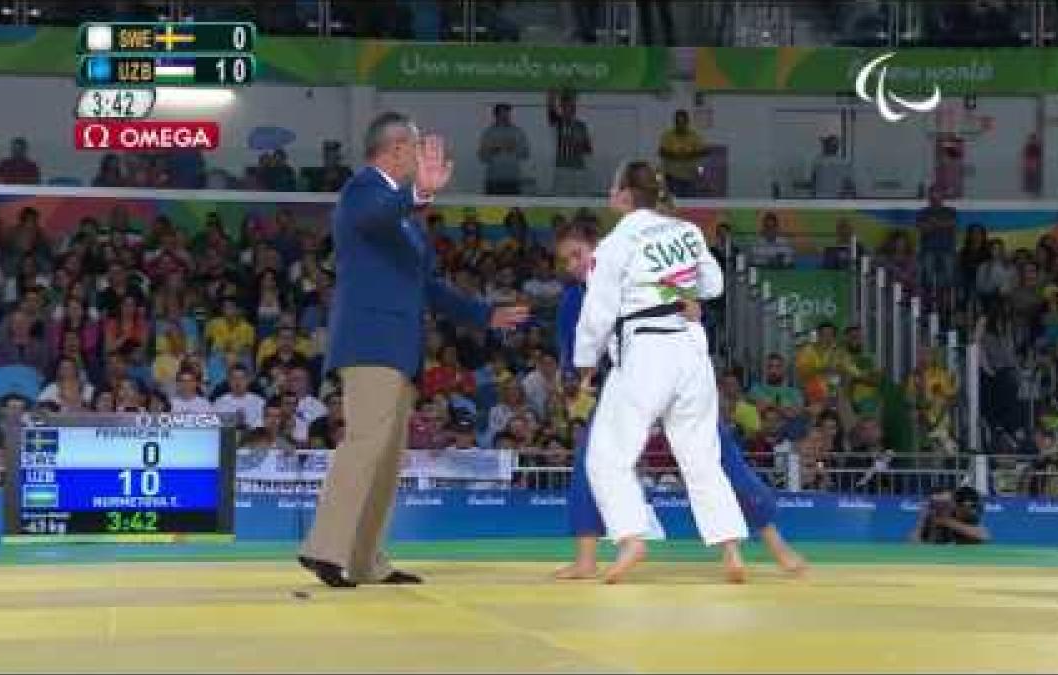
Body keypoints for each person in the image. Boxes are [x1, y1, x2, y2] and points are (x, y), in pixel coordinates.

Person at [297, 112, 528, 588]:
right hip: (370, 342)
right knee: (365, 445)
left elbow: (430, 287)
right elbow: (374, 215)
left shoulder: (408, 225)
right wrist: (418, 194)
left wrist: (485, 315)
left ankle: (364, 561)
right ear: (396, 149)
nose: (426, 157)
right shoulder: (361, 191)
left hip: (401, 349)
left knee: (386, 458)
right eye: (418, 148)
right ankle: (324, 548)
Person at [554, 218, 807, 581]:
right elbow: (572, 357)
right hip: (633, 382)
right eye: (566, 261)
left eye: (578, 254)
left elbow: (690, 305)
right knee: (594, 459)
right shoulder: (573, 299)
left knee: (719, 458)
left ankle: (774, 544)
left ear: (600, 246)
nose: (573, 265)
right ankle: (586, 558)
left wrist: (692, 309)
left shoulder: (638, 270)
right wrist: (579, 383)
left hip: (655, 375)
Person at [572, 159, 750, 584]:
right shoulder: (686, 231)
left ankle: (631, 537)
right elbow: (714, 286)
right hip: (691, 349)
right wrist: (681, 291)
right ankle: (731, 551)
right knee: (701, 456)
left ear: (625, 196)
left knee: (607, 456)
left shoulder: (615, 244)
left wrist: (583, 365)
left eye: (613, 186)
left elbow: (597, 314)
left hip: (647, 351)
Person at [477, 103, 530, 195]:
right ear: (496, 115)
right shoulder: (489, 133)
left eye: (507, 113)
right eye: (503, 113)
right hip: (494, 179)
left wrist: (513, 149)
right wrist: (494, 150)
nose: (505, 116)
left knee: (514, 207)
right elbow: (482, 157)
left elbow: (525, 154)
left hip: (513, 179)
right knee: (492, 207)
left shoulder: (518, 132)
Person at [909, 486, 990, 544]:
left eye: (945, 503)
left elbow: (984, 536)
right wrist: (922, 517)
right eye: (936, 504)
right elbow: (913, 542)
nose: (941, 507)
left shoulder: (965, 515)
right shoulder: (930, 517)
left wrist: (946, 522)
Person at [657, 110, 706, 198]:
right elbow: (661, 152)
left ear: (687, 122)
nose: (681, 125)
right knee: (675, 202)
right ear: (675, 122)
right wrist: (676, 155)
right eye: (678, 122)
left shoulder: (694, 135)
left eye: (683, 122)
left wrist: (689, 155)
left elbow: (703, 151)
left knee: (690, 203)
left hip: (690, 175)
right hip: (673, 176)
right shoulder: (668, 135)